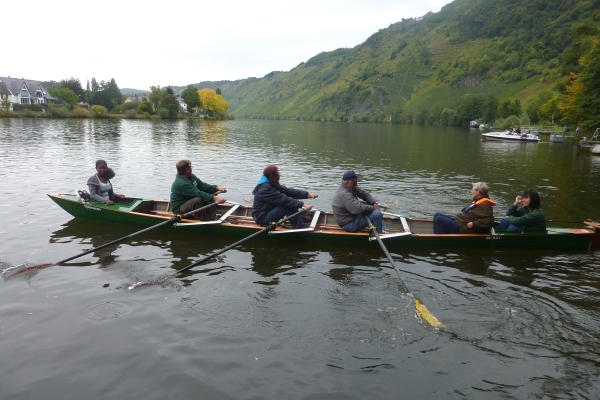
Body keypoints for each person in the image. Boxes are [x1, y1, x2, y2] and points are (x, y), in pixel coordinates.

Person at [251, 164, 317, 229]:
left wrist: (307, 194)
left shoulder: (270, 183)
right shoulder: (266, 188)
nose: (279, 174)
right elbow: (284, 200)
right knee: (289, 205)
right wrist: (303, 204)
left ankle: (298, 221)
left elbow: (289, 191)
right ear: (273, 175)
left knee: (291, 202)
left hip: (267, 212)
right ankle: (299, 227)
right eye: (277, 173)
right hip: (262, 218)